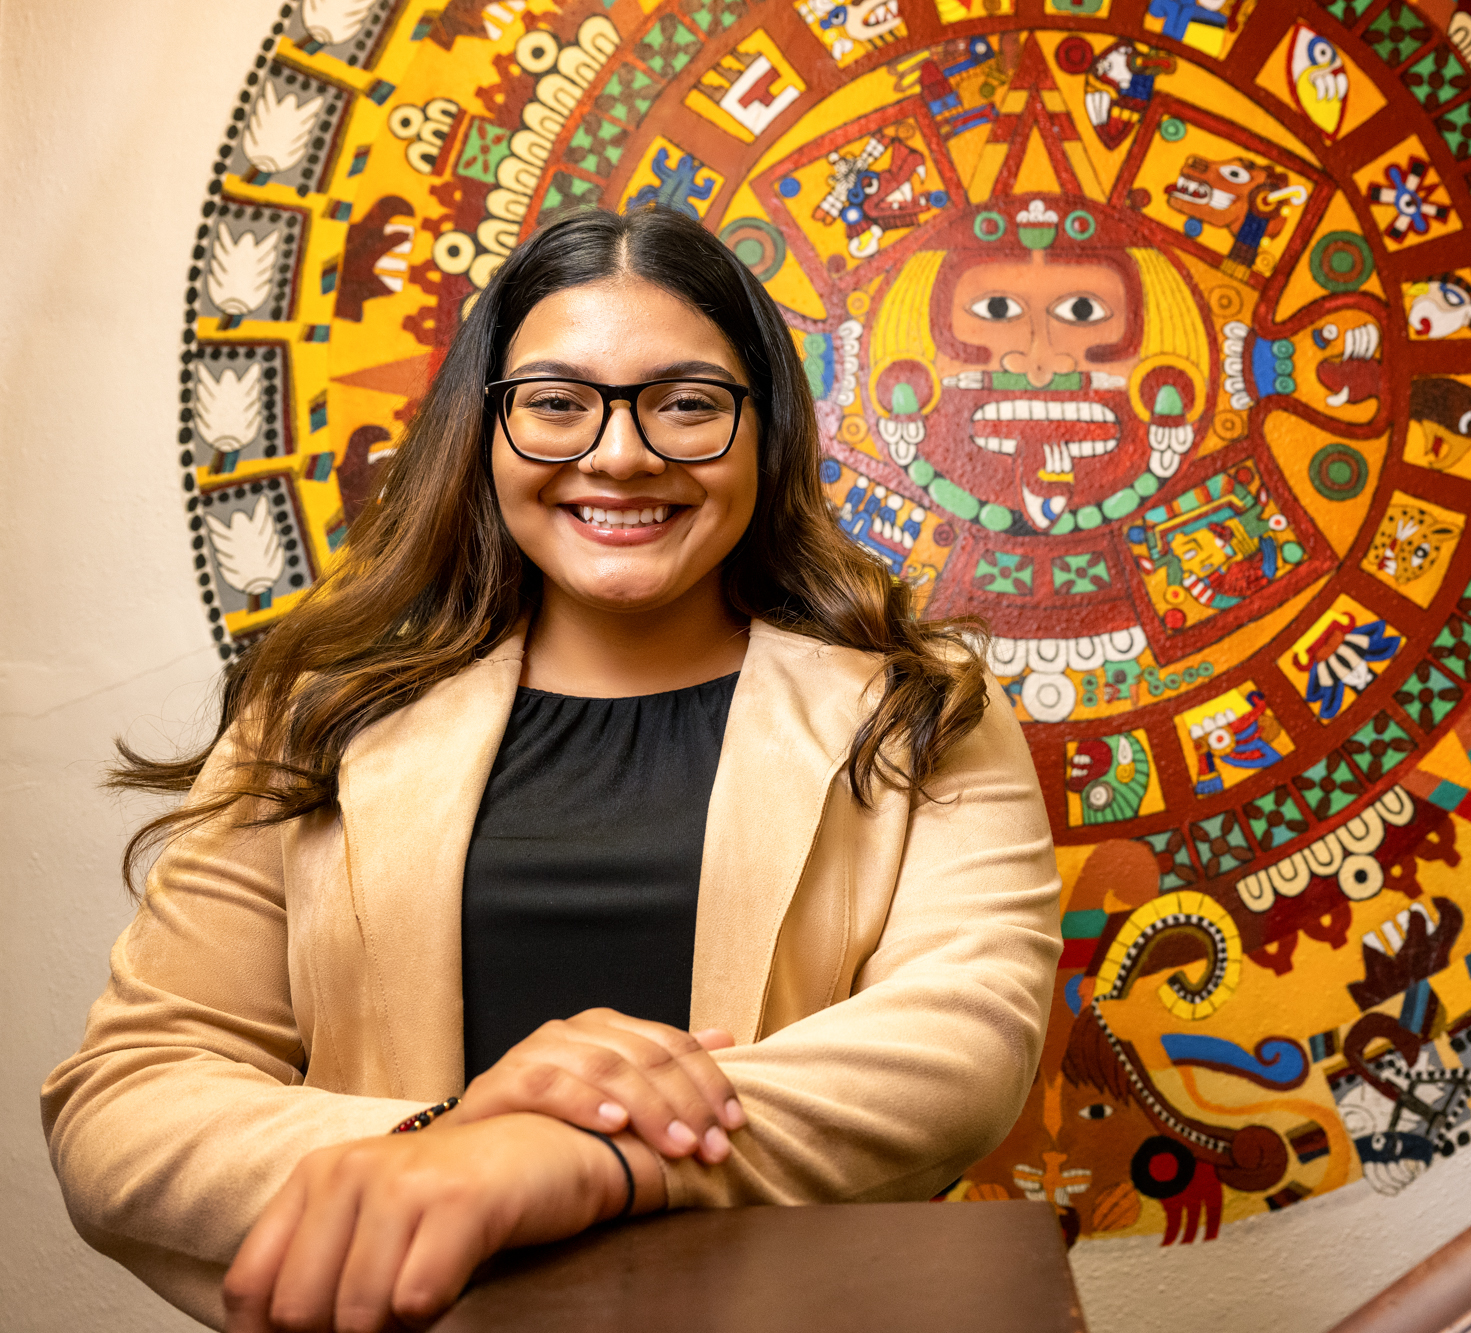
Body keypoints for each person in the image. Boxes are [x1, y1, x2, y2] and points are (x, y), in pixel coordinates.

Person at [42, 207, 1062, 1332]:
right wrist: (449, 1143)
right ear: (482, 431)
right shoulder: (316, 714)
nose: (618, 454)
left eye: (685, 403)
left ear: (763, 431)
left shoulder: (921, 709)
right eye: (557, 403)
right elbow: (125, 1102)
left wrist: (571, 1158)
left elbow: (961, 1043)